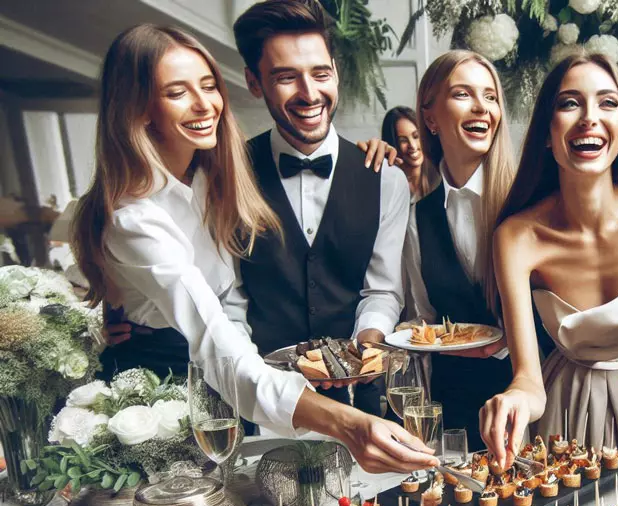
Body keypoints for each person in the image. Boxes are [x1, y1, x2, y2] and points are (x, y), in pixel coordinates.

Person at [71, 24, 437, 473]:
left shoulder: (212, 178)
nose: (204, 104)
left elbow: (231, 302)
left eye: (208, 86)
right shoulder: (133, 217)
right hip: (162, 406)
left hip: (237, 393)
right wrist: (348, 424)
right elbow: (216, 340)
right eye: (177, 92)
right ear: (140, 109)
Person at [479, 53, 618, 475]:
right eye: (569, 104)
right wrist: (513, 397)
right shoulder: (515, 237)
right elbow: (529, 379)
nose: (589, 118)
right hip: (571, 410)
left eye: (607, 103)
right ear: (547, 133)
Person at [231, 0, 409, 414]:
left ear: (336, 72)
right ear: (255, 83)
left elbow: (382, 289)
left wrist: (365, 350)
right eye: (286, 77)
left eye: (320, 73)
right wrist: (254, 377)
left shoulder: (386, 177)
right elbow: (228, 298)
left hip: (360, 402)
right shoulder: (228, 174)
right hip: (264, 402)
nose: (310, 94)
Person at [398, 50, 516, 452]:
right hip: (454, 412)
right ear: (429, 118)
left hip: (530, 407)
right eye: (463, 94)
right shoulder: (418, 219)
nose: (482, 107)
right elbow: (423, 318)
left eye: (491, 96)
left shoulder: (528, 199)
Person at [382, 105, 430, 198]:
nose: (412, 145)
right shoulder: (389, 186)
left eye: (416, 136)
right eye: (403, 140)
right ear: (392, 144)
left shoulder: (438, 178)